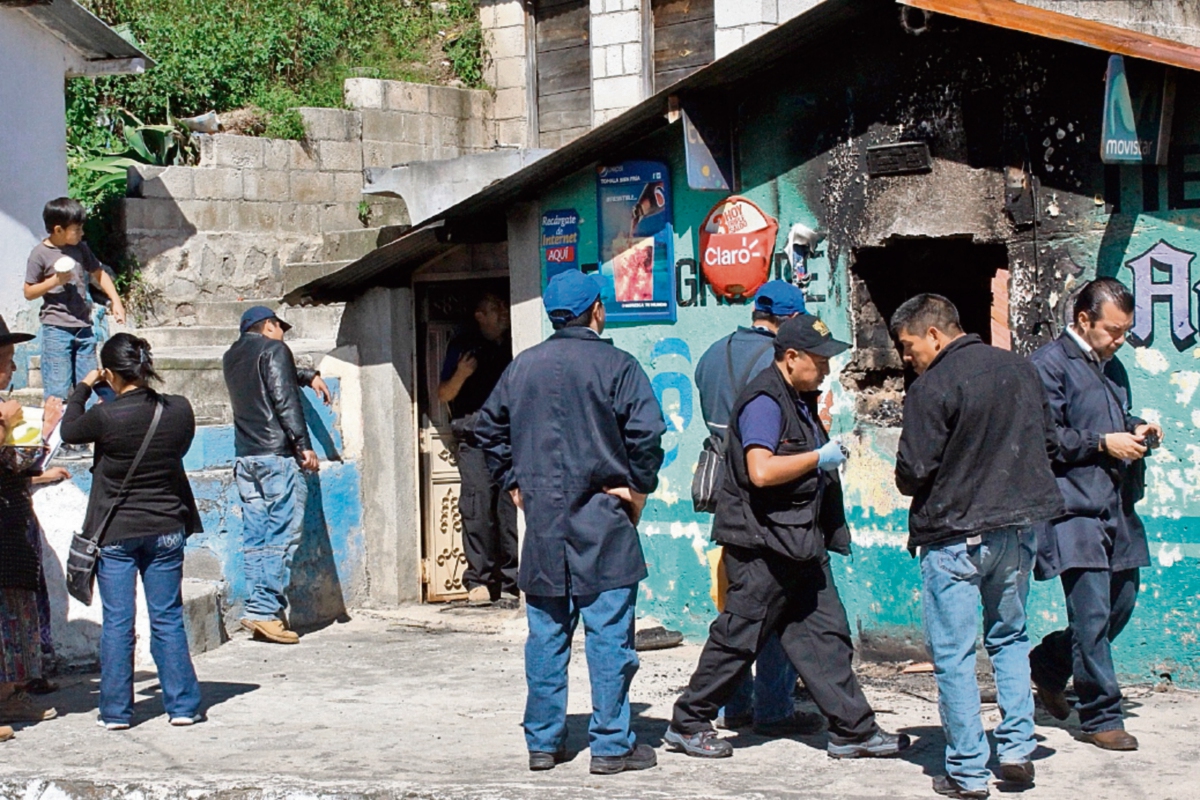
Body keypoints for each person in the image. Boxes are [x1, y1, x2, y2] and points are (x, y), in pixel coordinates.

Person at [666, 314, 908, 761]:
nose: (826, 370)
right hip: (763, 547)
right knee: (739, 638)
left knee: (827, 639)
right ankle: (688, 722)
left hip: (800, 545)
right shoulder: (764, 400)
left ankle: (853, 730)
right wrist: (819, 457)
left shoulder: (797, 397)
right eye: (819, 361)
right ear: (791, 357)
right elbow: (760, 470)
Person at [475, 270, 665, 775]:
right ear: (596, 310)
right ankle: (610, 745)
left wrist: (513, 481)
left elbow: (486, 427)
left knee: (546, 638)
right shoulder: (618, 365)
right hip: (603, 519)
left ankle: (543, 742)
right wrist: (638, 487)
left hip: (543, 524)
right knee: (609, 639)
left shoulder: (523, 368)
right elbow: (647, 432)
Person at [891, 294, 1063, 800]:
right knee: (1010, 640)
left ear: (935, 336)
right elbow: (1048, 444)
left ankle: (967, 772)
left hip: (954, 540)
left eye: (907, 346)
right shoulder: (1021, 370)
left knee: (955, 656)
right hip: (1016, 532)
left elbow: (911, 473)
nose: (907, 357)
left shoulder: (932, 387)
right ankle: (1015, 750)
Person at [1028, 278, 1157, 752]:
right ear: (1084, 320)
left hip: (1116, 502)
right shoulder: (1048, 366)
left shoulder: (1112, 367)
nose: (1120, 339)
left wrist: (1136, 428)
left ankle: (1047, 662)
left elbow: (1112, 418)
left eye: (1125, 331)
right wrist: (1103, 443)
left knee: (1120, 603)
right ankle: (1101, 714)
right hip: (1072, 507)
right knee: (1092, 614)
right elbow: (1046, 438)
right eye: (1113, 330)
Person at [61, 333, 204, 730]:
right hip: (167, 528)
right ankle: (183, 706)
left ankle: (117, 712)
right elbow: (177, 450)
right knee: (168, 617)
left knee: (119, 622)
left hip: (117, 533)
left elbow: (68, 431)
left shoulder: (105, 415)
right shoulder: (179, 410)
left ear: (109, 373)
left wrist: (84, 387)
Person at [693, 280, 810, 735]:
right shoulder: (782, 364)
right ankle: (774, 706)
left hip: (723, 490)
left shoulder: (712, 355)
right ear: (790, 319)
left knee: (735, 604)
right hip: (769, 491)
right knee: (775, 603)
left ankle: (731, 703)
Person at [223, 306, 332, 645]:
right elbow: (283, 397)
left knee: (256, 538)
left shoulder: (232, 356)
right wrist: (303, 446)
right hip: (277, 457)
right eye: (280, 327)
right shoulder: (274, 349)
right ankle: (264, 611)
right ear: (268, 326)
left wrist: (307, 374)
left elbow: (273, 376)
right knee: (282, 536)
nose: (284, 334)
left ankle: (258, 608)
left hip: (247, 459)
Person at [436, 293, 517, 607]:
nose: (504, 314)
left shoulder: (514, 344)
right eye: (495, 309)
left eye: (503, 308)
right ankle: (479, 581)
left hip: (510, 439)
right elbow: (443, 394)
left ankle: (514, 581)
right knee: (477, 507)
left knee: (511, 511)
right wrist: (462, 374)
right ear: (480, 315)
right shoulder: (464, 347)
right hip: (474, 441)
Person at [0, 317, 60, 734]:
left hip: (10, 529)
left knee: (13, 616)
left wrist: (42, 432)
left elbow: (16, 467)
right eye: (6, 361)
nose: (12, 371)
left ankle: (8, 696)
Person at [24, 198, 126, 405]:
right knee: (58, 391)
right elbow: (29, 291)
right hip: (57, 329)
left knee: (87, 386)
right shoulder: (40, 254)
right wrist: (54, 281)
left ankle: (86, 433)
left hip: (84, 328)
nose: (82, 234)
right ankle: (56, 435)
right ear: (58, 229)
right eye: (77, 229)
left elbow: (99, 273)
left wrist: (116, 301)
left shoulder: (80, 249)